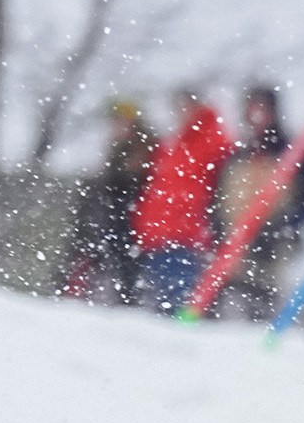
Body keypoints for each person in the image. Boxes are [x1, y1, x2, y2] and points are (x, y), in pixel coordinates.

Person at [207, 85, 304, 321]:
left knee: (264, 307)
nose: (256, 116)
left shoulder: (293, 153)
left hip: (274, 248)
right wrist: (220, 233)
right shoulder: (237, 155)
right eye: (252, 109)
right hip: (234, 248)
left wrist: (281, 229)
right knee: (231, 310)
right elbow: (219, 200)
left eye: (262, 109)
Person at [131, 90, 232, 310]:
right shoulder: (175, 144)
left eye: (185, 107)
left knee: (178, 305)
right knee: (160, 304)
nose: (180, 113)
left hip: (187, 238)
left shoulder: (211, 140)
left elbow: (221, 186)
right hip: (160, 237)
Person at [63, 100, 158, 305]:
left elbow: (130, 183)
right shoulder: (117, 147)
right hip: (110, 224)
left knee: (126, 279)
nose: (118, 125)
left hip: (129, 225)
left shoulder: (141, 146)